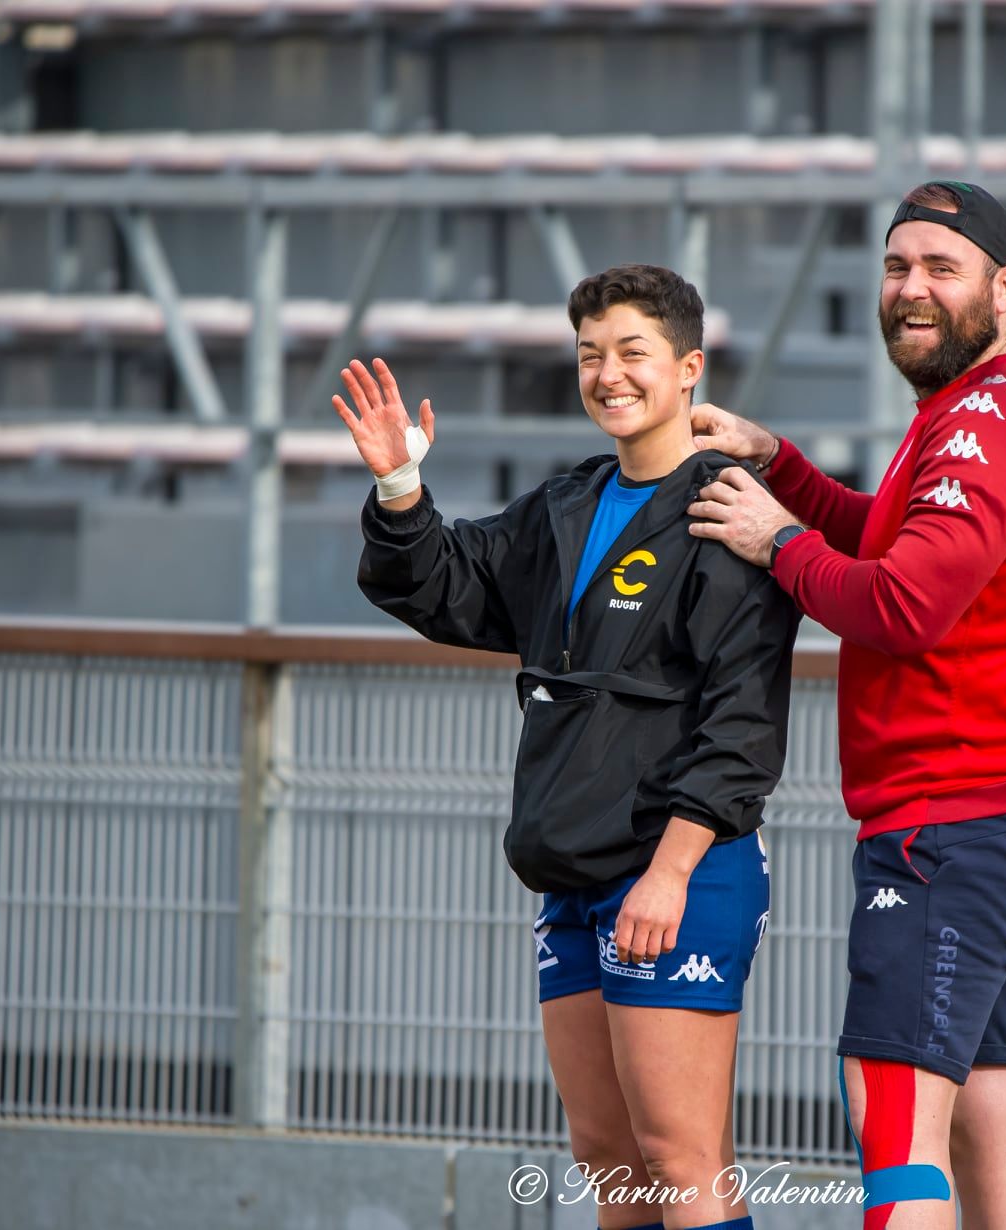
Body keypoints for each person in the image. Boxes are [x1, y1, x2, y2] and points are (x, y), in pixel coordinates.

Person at [336, 264, 801, 1230]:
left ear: (689, 369)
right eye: (590, 355)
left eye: (633, 352)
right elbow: (447, 586)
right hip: (573, 868)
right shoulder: (566, 504)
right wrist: (399, 484)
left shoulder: (730, 510)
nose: (608, 375)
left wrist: (669, 874)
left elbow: (743, 726)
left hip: (678, 870)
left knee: (679, 1154)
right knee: (608, 1156)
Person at [687, 181, 1006, 1230]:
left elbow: (905, 603)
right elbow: (893, 539)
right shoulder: (981, 409)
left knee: (897, 1125)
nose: (911, 288)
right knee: (990, 1123)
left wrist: (777, 543)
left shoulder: (985, 420)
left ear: (1005, 288)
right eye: (896, 265)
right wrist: (781, 468)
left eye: (941, 268)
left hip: (955, 824)